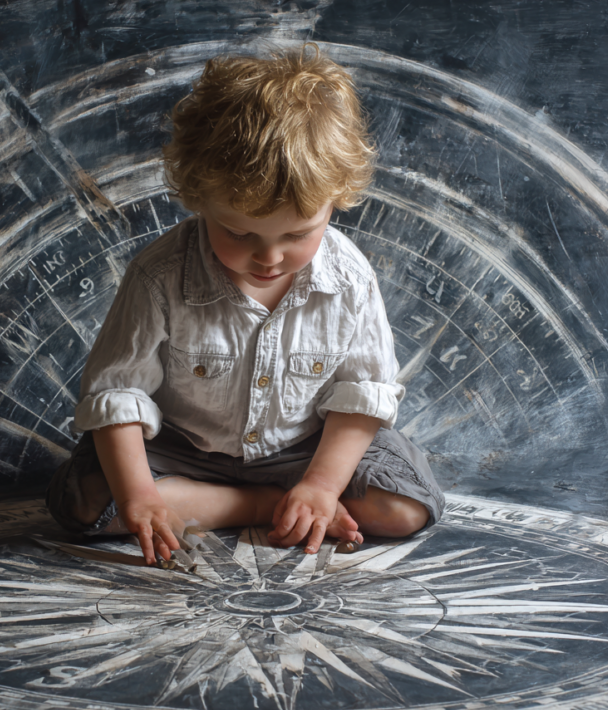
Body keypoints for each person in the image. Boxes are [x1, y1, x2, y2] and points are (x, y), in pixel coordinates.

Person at [47, 44, 444, 566]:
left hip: (306, 450)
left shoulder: (348, 278)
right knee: (89, 504)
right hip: (183, 449)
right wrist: (139, 494)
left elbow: (361, 395)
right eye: (238, 232)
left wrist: (323, 485)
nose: (270, 256)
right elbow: (118, 394)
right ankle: (262, 505)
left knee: (405, 508)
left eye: (298, 234)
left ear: (336, 201)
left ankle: (299, 501)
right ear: (199, 199)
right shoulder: (160, 275)